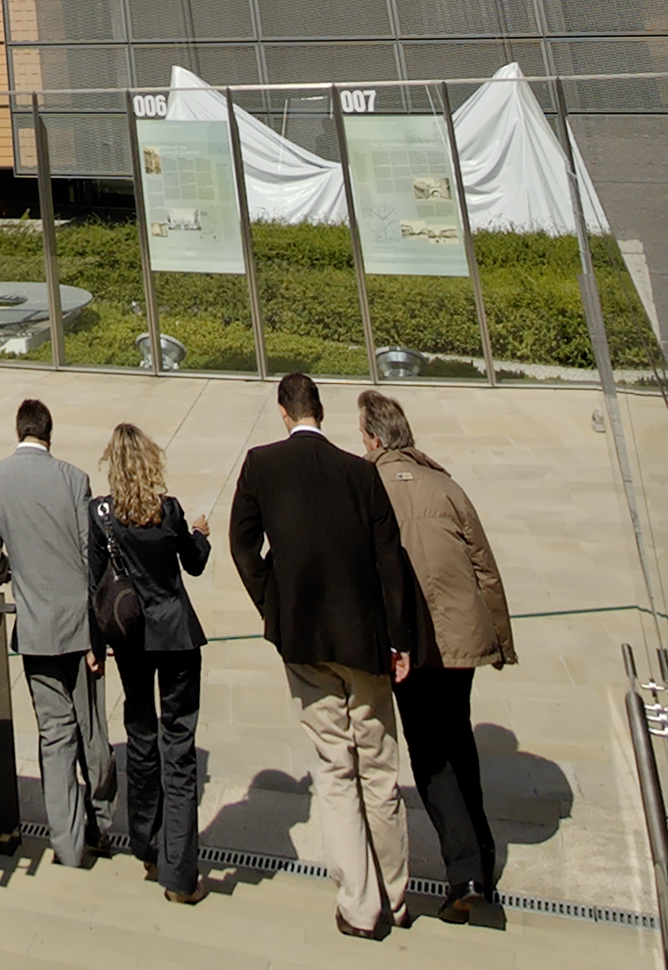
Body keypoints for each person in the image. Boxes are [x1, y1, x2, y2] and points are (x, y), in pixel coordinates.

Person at [230, 372, 415, 941]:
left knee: (335, 771)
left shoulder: (261, 465)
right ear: (322, 413)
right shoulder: (360, 473)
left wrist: (271, 601)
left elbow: (242, 544)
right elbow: (390, 560)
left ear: (285, 413)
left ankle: (360, 905)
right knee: (379, 772)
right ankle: (398, 896)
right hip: (363, 640)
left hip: (304, 640)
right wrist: (399, 639)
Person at [360, 390, 515, 925]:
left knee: (430, 755)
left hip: (412, 643)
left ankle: (464, 873)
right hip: (462, 638)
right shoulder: (446, 485)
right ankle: (484, 860)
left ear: (375, 440)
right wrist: (500, 641)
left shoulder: (368, 485)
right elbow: (485, 567)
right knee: (459, 739)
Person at [0, 397, 113, 869]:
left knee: (55, 737)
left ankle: (68, 846)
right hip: (80, 627)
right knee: (92, 732)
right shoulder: (74, 479)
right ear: (49, 434)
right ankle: (101, 822)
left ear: (19, 432)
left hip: (35, 628)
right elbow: (89, 553)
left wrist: (9, 573)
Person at [88, 422, 212, 905]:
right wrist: (199, 535)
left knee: (141, 736)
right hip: (176, 634)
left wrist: (97, 645)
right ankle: (180, 875)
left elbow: (95, 583)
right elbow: (194, 563)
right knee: (177, 747)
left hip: (133, 636)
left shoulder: (101, 515)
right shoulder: (168, 510)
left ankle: (148, 843)